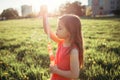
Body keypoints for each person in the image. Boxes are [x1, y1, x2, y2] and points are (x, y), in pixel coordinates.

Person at [42, 7, 84, 80]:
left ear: (70, 32)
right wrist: (44, 15)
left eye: (60, 28)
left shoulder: (73, 51)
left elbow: (74, 75)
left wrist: (56, 71)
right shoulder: (61, 41)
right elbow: (47, 30)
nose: (56, 30)